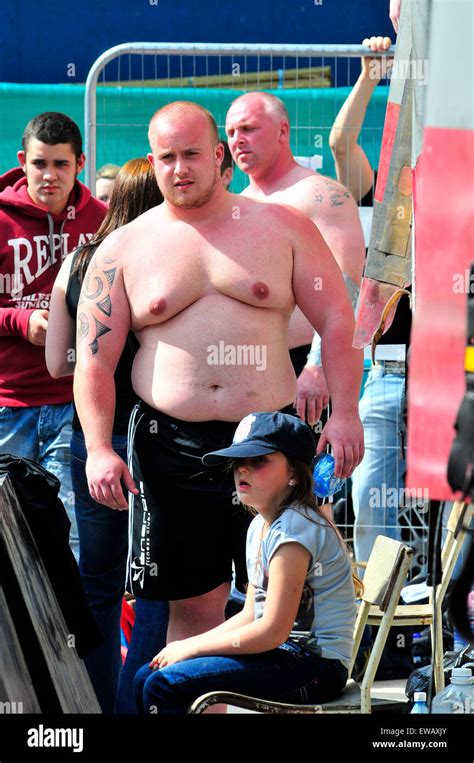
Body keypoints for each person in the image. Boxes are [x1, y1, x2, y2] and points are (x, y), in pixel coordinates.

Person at [73, 101, 364, 662]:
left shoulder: (284, 228)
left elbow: (338, 317)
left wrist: (346, 410)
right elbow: (92, 359)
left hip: (269, 440)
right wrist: (95, 449)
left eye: (190, 154)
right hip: (171, 446)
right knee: (193, 606)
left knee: (284, 597)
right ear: (152, 164)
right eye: (166, 158)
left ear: (218, 156)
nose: (179, 168)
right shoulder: (124, 247)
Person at [133, 411, 360, 714]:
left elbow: (272, 632)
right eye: (239, 461)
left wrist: (192, 647)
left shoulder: (294, 529)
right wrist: (186, 646)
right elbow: (252, 614)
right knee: (145, 677)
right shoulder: (260, 524)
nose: (243, 470)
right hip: (286, 656)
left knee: (164, 685)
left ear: (294, 473)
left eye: (259, 461)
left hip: (316, 668)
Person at [46, 157, 167, 712]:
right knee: (156, 583)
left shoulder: (76, 260)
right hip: (155, 440)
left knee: (97, 580)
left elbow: (56, 364)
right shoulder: (164, 258)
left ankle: (96, 702)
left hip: (90, 437)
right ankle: (132, 701)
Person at [0, 111, 106, 562]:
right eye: (40, 163)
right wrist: (23, 324)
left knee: (67, 535)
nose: (50, 175)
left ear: (80, 163)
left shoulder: (102, 220)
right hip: (9, 403)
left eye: (61, 164)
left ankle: (67, 634)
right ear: (23, 161)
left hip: (74, 401)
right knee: (7, 531)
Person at [225, 92, 366, 426]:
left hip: (306, 365)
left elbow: (348, 286)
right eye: (231, 132)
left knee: (305, 476)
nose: (237, 140)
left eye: (248, 128)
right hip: (247, 371)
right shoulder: (235, 204)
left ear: (282, 132)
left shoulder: (321, 195)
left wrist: (318, 366)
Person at [329, 36, 411, 567]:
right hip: (389, 374)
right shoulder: (384, 201)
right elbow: (341, 143)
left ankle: (453, 627)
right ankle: (380, 627)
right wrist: (370, 76)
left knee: (451, 517)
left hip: (457, 377)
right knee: (369, 506)